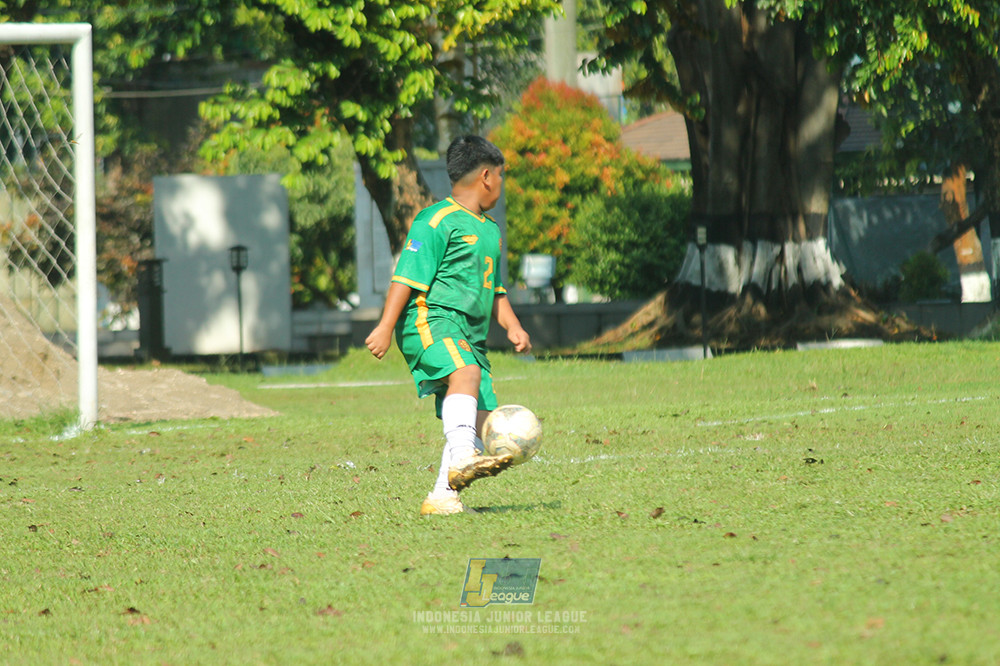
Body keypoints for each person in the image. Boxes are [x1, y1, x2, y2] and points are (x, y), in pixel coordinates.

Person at [365, 135, 532, 516]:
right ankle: (461, 457)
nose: (502, 185)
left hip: (470, 336)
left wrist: (513, 326)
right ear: (487, 176)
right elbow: (405, 276)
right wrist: (385, 327)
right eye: (502, 176)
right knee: (466, 373)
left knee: (481, 419)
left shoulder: (490, 230)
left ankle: (443, 496)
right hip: (431, 319)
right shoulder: (434, 220)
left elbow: (496, 289)